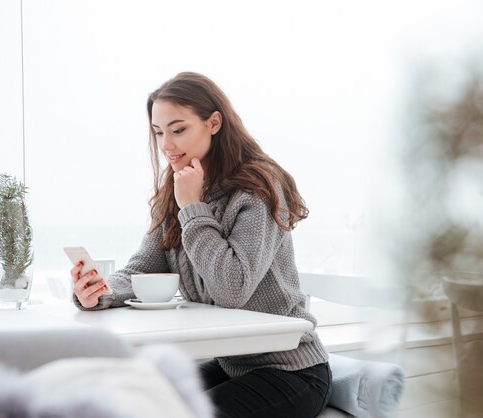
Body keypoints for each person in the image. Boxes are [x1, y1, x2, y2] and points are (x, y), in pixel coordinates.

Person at [70, 72, 332, 418]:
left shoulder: (258, 189)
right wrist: (99, 292)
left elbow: (231, 290)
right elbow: (141, 269)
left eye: (178, 130)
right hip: (233, 365)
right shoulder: (179, 188)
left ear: (214, 123)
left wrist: (192, 208)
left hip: (291, 370)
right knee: (132, 403)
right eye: (158, 132)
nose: (166, 145)